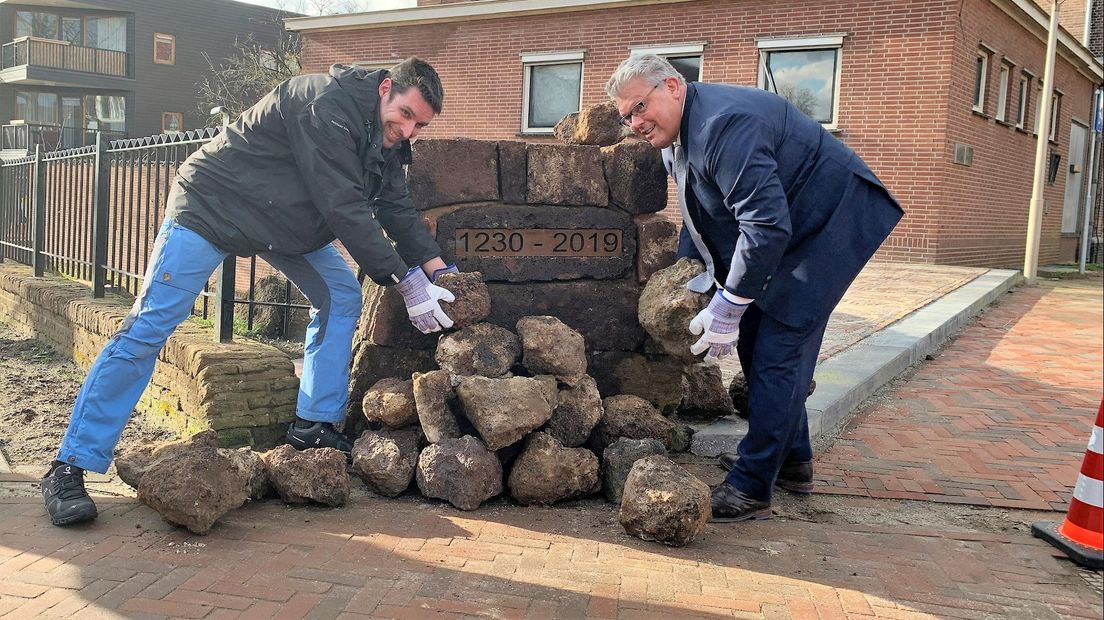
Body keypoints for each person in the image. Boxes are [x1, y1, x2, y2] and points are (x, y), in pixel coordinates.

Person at [41, 57, 457, 526]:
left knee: (341, 294)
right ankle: (69, 465)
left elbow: (394, 205)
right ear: (385, 89)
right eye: (406, 115)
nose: (410, 131)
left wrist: (440, 273)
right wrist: (405, 280)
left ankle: (312, 425)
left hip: (278, 222)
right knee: (149, 327)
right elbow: (345, 206)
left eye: (420, 124)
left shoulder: (385, 136)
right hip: (212, 207)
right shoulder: (325, 106)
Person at [606, 55, 903, 522]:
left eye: (640, 107)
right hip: (785, 230)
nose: (636, 122)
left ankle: (751, 486)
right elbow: (701, 216)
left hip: (829, 225)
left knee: (779, 345)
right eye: (627, 117)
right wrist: (694, 278)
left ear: (672, 86)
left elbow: (764, 226)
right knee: (753, 339)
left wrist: (729, 304)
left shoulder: (725, 126)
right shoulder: (673, 137)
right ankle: (792, 461)